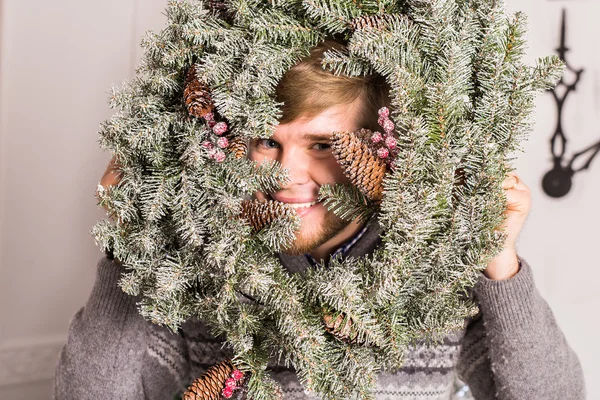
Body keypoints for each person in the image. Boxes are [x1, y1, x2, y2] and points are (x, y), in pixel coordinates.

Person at [53, 38, 586, 400]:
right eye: (269, 141)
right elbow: (93, 392)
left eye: (324, 144)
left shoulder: (434, 268)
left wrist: (500, 265)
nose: (288, 173)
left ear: (382, 148)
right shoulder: (201, 263)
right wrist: (131, 241)